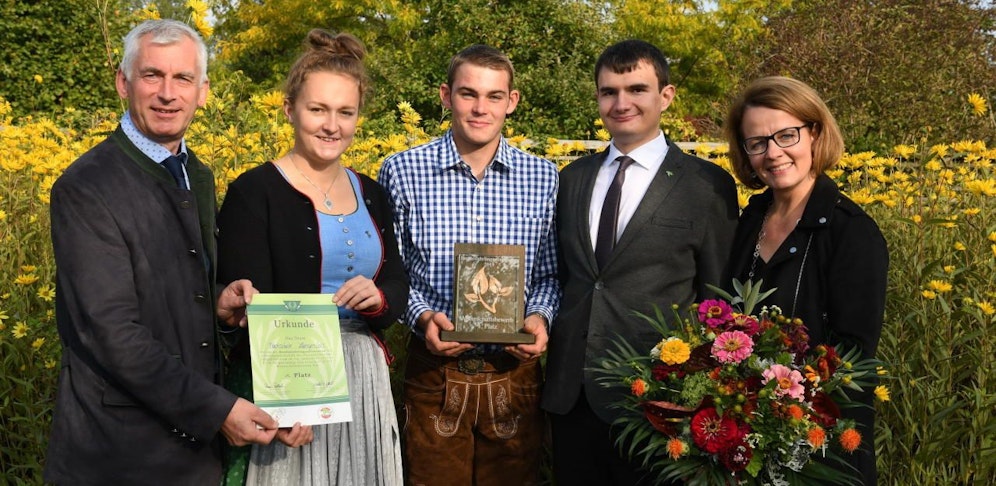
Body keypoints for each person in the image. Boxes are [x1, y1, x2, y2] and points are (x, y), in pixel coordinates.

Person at [43, 19, 282, 485]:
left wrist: (218, 303)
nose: (167, 93)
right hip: (117, 452)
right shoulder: (86, 186)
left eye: (183, 78)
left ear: (203, 91)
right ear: (123, 82)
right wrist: (217, 409)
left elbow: (172, 289)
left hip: (190, 452)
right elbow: (110, 332)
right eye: (152, 75)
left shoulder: (197, 174)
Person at [541, 39, 740, 485]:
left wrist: (700, 393)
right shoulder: (572, 178)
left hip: (658, 400)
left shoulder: (706, 185)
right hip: (572, 396)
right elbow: (570, 277)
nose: (621, 102)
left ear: (665, 96)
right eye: (609, 91)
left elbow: (718, 300)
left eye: (636, 89)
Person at [216, 29, 408, 485]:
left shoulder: (373, 192)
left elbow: (398, 282)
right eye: (317, 109)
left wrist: (378, 298)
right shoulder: (253, 191)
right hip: (287, 382)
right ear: (289, 109)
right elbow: (245, 306)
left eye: (346, 112)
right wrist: (282, 404)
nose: (331, 125)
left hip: (363, 379)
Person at [377, 44, 560, 486]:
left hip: (513, 373)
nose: (481, 108)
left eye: (494, 96)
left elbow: (551, 272)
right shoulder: (402, 171)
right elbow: (391, 271)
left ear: (511, 102)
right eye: (467, 94)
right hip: (434, 373)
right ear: (446, 95)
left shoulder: (544, 177)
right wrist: (422, 318)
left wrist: (539, 316)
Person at [723, 76, 887, 485]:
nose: (773, 153)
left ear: (815, 133)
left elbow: (853, 357)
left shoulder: (851, 232)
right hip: (747, 440)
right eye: (757, 142)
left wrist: (781, 403)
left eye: (786, 135)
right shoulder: (749, 221)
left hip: (818, 447)